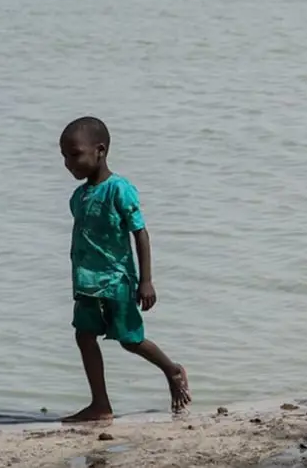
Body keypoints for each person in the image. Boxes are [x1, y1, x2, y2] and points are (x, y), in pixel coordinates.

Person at [58, 116, 191, 422]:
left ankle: (172, 370)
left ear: (100, 150)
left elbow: (140, 233)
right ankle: (100, 404)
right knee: (84, 335)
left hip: (116, 280)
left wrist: (146, 281)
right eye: (64, 156)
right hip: (86, 282)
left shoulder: (119, 189)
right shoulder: (78, 197)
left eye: (74, 154)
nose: (68, 163)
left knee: (130, 339)